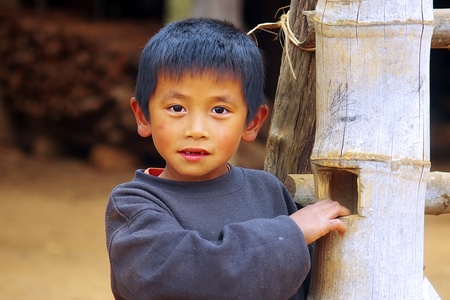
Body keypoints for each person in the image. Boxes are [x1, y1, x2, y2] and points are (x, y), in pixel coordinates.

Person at [105, 17, 350, 300]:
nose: (196, 130)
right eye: (176, 107)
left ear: (252, 122)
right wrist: (289, 234)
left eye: (219, 110)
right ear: (143, 116)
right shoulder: (134, 205)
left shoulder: (267, 191)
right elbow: (176, 281)